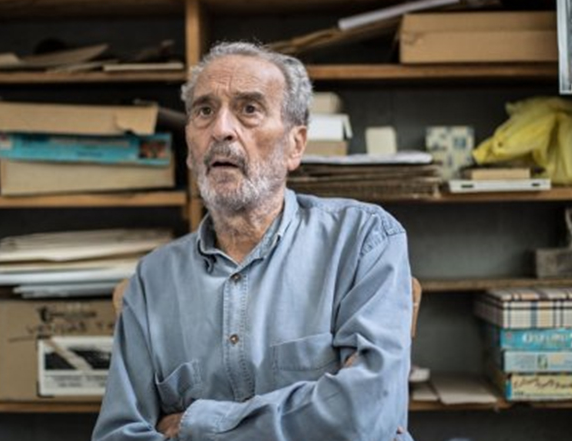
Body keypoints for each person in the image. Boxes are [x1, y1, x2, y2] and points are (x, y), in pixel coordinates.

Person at [92, 41, 414, 441]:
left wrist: (195, 423)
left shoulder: (363, 240)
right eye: (204, 111)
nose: (221, 130)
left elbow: (366, 415)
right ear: (190, 148)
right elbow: (119, 434)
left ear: (295, 144)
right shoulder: (152, 279)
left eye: (249, 109)